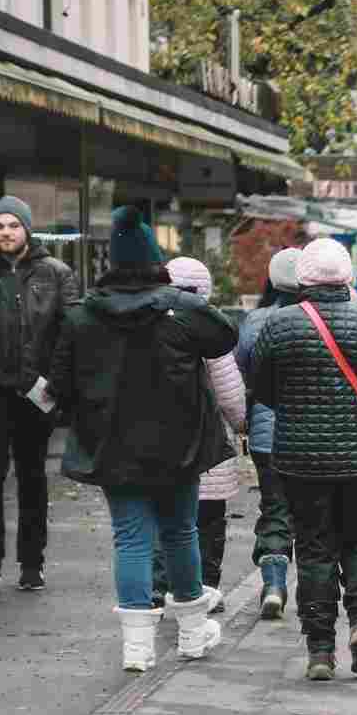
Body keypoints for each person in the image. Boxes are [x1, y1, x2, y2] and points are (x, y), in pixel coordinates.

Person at [48, 206, 237, 672]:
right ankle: (193, 635)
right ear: (155, 260)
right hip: (179, 446)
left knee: (130, 538)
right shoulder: (183, 309)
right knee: (180, 532)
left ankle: (137, 648)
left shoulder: (82, 317)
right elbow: (224, 338)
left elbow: (60, 384)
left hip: (113, 444)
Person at [250, 238, 357, 681]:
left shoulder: (280, 325)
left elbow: (259, 383)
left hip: (298, 458)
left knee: (315, 547)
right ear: (347, 279)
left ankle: (320, 648)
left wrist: (291, 409)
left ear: (303, 279)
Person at [0, 196, 78, 594]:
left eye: (13, 225)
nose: (5, 232)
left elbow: (71, 334)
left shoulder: (55, 274)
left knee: (32, 476)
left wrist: (57, 385)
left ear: (27, 229)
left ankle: (32, 561)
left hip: (34, 392)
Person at [160, 257, 247, 612]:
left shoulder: (149, 323)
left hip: (160, 440)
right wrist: (241, 423)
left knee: (167, 518)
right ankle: (205, 586)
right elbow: (229, 394)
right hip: (207, 444)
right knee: (208, 520)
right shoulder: (208, 328)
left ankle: (167, 586)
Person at [235, 247, 302, 618]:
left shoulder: (256, 320)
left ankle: (274, 584)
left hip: (267, 434)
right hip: (314, 434)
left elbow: (242, 368)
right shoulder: (322, 316)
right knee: (314, 515)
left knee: (275, 509)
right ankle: (314, 592)